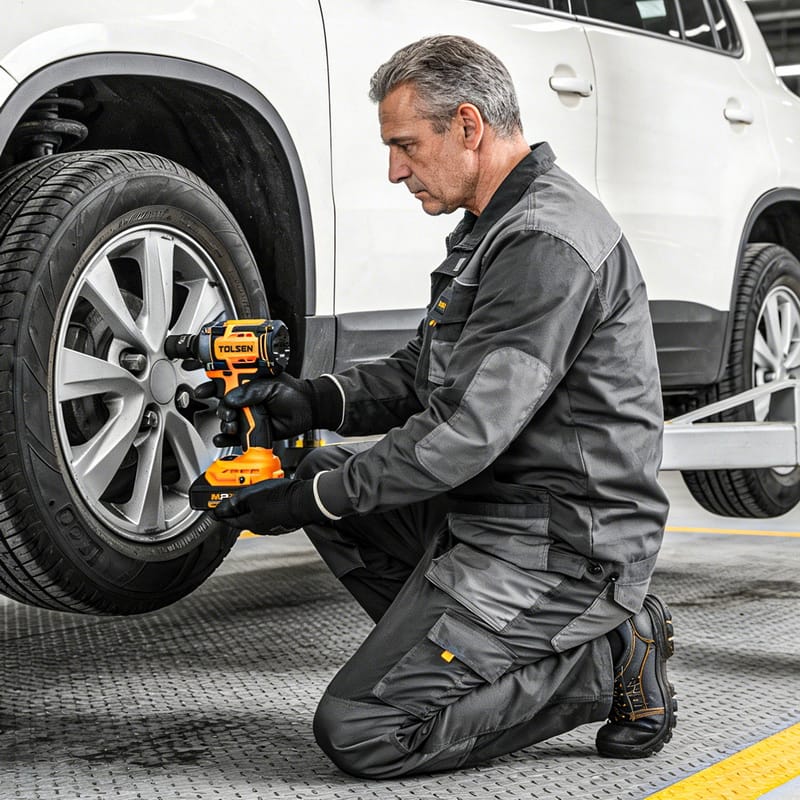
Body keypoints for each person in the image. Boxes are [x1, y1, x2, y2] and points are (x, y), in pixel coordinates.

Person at [211, 35, 676, 778]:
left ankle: (605, 656)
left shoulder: (543, 242)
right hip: (494, 513)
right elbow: (429, 374)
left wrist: (306, 500)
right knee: (335, 482)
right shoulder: (496, 226)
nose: (395, 170)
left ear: (467, 125)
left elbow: (463, 432)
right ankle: (475, 650)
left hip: (563, 545)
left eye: (405, 145)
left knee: (363, 729)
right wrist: (314, 399)